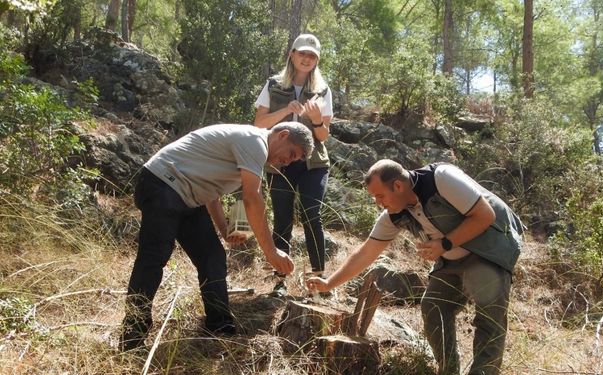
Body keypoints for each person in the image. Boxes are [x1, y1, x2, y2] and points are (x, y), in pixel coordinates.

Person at [307, 159, 524, 375]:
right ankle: (448, 370)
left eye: (380, 196)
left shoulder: (442, 179)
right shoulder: (393, 214)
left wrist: (444, 244)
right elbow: (366, 252)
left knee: (489, 321)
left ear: (398, 186)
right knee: (433, 307)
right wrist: (328, 283)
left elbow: (485, 216)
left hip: (491, 247)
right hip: (451, 257)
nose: (377, 203)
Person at [119, 122, 314, 351]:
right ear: (282, 135)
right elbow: (253, 199)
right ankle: (133, 334)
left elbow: (212, 194)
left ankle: (219, 328)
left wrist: (224, 229)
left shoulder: (252, 153)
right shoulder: (255, 141)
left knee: (212, 256)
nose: (288, 162)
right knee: (154, 256)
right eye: (291, 154)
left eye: (294, 160)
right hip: (162, 183)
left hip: (188, 197)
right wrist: (270, 252)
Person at [254, 33, 333, 296]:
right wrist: (285, 111)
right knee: (283, 217)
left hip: (314, 163)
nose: (306, 59)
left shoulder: (323, 90)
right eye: (302, 53)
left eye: (312, 55)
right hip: (280, 161)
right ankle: (280, 280)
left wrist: (316, 119)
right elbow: (259, 124)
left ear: (317, 60)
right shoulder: (273, 85)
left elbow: (323, 137)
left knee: (312, 214)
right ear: (292, 54)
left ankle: (320, 280)